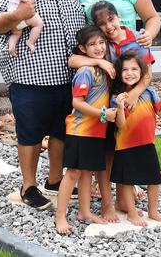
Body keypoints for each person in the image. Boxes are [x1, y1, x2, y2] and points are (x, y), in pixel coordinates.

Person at [0, 0, 86, 210]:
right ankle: (28, 186)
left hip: (67, 79)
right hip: (29, 79)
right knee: (29, 134)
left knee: (60, 133)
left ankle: (54, 180)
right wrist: (19, 15)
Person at [68, 1, 155, 222]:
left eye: (111, 20)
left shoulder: (137, 39)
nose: (108, 26)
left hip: (133, 107)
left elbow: (147, 74)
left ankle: (123, 199)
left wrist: (134, 95)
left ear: (119, 17)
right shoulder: (101, 43)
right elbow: (73, 60)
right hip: (107, 107)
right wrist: (100, 61)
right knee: (106, 156)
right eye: (102, 23)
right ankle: (107, 204)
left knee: (125, 154)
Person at [55, 26, 116, 234]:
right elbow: (77, 102)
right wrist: (103, 114)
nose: (99, 48)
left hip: (95, 132)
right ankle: (60, 216)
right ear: (83, 48)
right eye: (92, 45)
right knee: (73, 172)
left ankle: (84, 211)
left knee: (86, 172)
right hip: (80, 130)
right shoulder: (85, 72)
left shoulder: (104, 69)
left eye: (101, 43)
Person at [111, 49, 161, 226]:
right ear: (120, 73)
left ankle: (153, 211)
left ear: (141, 72)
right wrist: (118, 106)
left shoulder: (149, 92)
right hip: (125, 145)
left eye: (134, 69)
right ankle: (132, 213)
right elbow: (120, 125)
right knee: (127, 180)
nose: (130, 73)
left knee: (154, 177)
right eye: (125, 70)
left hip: (147, 143)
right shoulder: (118, 96)